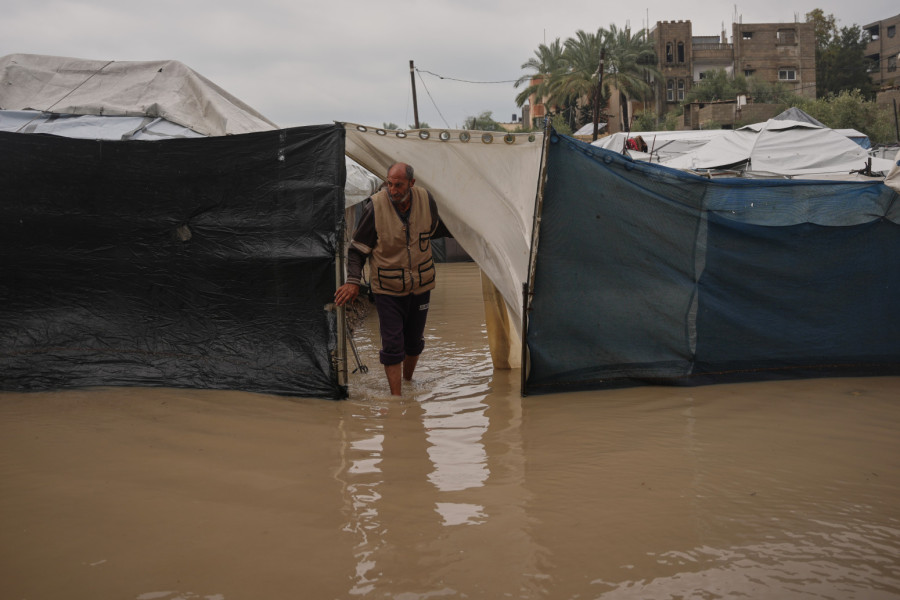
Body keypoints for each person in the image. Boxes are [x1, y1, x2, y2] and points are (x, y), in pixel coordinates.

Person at [334, 162, 449, 395]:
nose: (393, 190)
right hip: (387, 289)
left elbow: (436, 228)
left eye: (398, 185)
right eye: (389, 184)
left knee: (414, 342)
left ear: (411, 183)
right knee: (393, 344)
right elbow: (357, 250)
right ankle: (397, 399)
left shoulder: (426, 200)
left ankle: (408, 383)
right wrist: (353, 281)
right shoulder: (375, 207)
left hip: (421, 286)